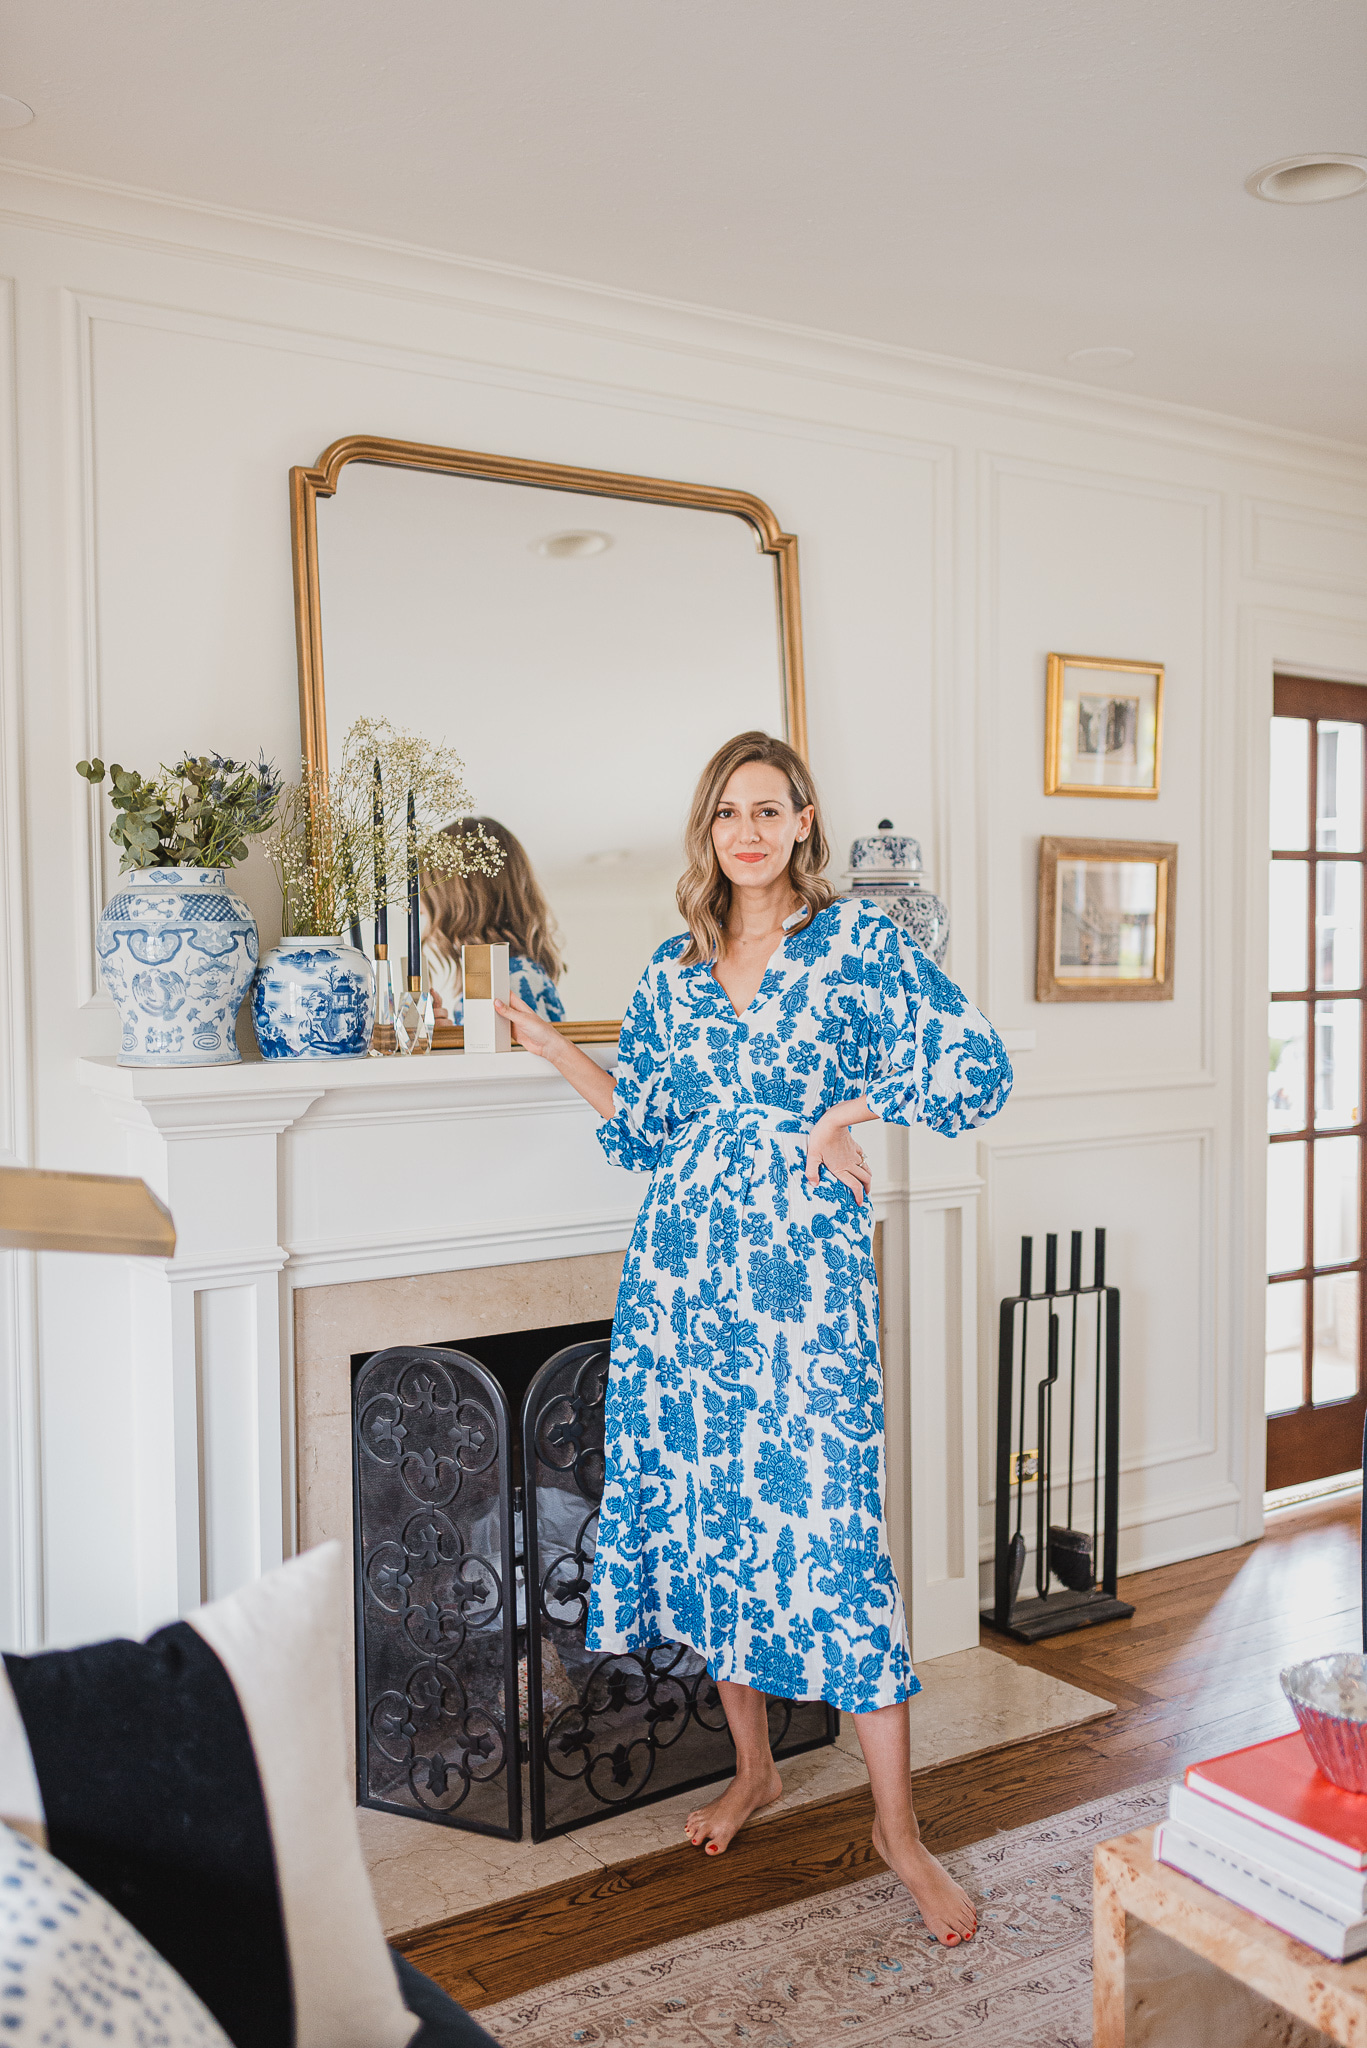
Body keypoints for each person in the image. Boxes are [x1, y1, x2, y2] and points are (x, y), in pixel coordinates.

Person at [496, 730, 1012, 1948]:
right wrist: (557, 1046)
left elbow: (975, 1067)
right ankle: (756, 1769)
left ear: (802, 822)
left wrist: (853, 1104)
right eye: (727, 809)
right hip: (681, 1280)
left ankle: (897, 1827)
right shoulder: (672, 974)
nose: (747, 828)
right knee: (719, 1525)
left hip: (803, 1290)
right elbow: (645, 1135)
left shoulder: (856, 947)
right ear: (706, 828)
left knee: (833, 1535)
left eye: (768, 808)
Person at [421, 816, 566, 1026]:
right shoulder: (507, 975)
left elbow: (507, 1059)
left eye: (428, 894)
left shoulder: (507, 983)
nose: (422, 911)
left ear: (456, 902)